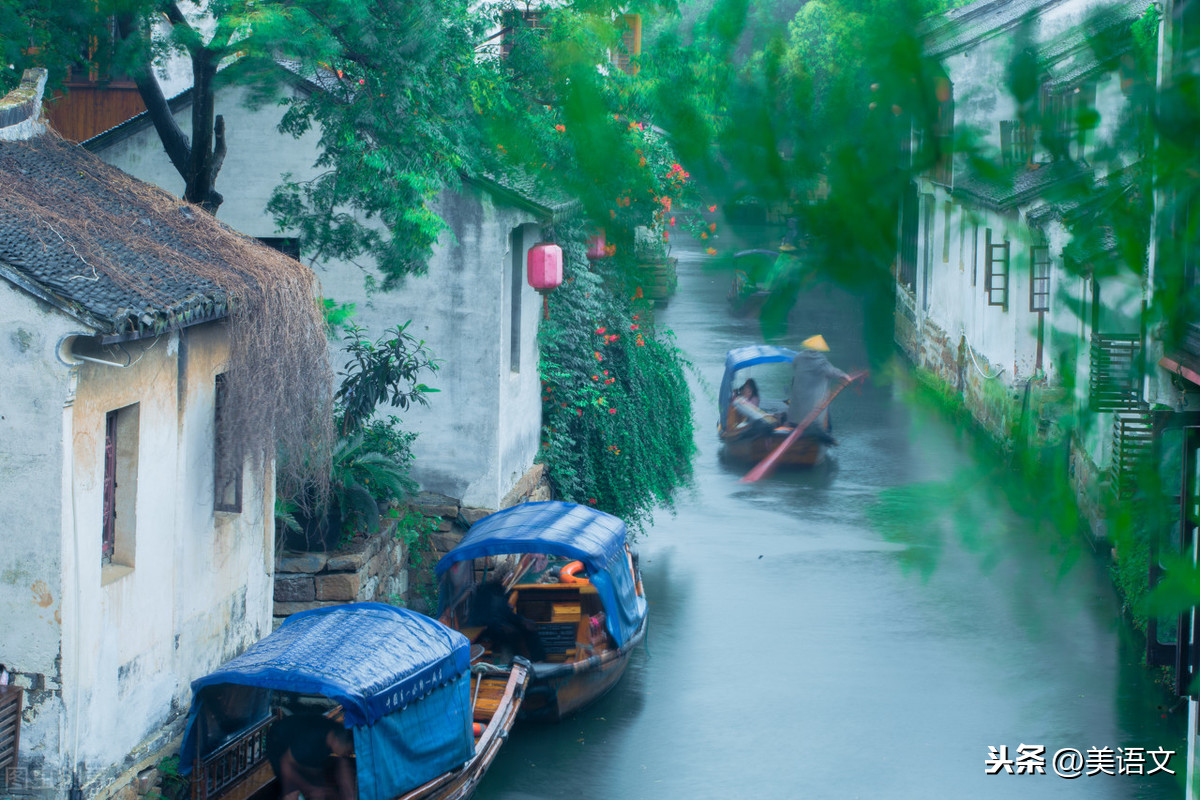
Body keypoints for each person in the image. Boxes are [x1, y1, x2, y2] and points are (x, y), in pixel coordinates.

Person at [266, 713, 357, 800]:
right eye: (348, 751)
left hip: (300, 749)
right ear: (336, 741)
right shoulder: (310, 743)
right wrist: (309, 787)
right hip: (278, 743)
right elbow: (286, 765)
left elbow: (343, 764)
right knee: (292, 792)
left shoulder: (336, 735)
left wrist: (349, 794)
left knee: (318, 789)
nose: (348, 754)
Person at [786, 335, 849, 438]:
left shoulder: (798, 357)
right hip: (813, 410)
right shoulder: (820, 360)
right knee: (824, 417)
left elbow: (794, 366)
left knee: (796, 417)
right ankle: (827, 435)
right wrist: (844, 375)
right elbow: (831, 371)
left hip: (797, 409)